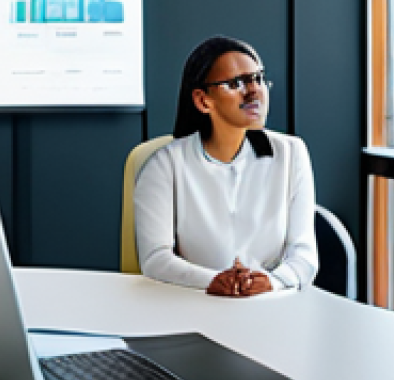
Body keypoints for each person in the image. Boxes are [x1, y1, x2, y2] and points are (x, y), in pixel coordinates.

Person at [134, 36, 318, 296]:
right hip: (194, 301)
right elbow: (155, 259)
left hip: (272, 303)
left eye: (258, 79)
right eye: (236, 83)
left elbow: (304, 255)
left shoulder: (291, 153)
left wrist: (271, 281)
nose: (254, 91)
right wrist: (213, 281)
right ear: (203, 101)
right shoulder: (165, 165)